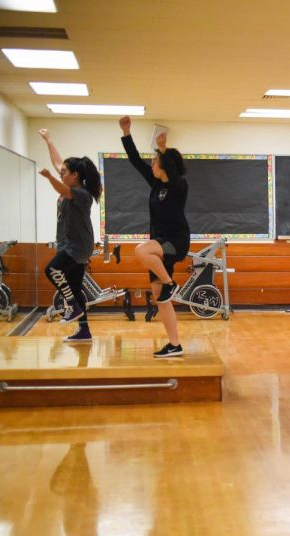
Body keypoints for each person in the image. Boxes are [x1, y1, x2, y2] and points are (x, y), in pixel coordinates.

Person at [119, 116, 190, 358]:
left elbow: (171, 169)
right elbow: (135, 161)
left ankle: (171, 284)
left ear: (165, 166)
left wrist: (163, 148)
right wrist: (126, 133)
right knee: (160, 298)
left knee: (141, 250)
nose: (152, 164)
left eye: (155, 161)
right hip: (159, 245)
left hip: (175, 241)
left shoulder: (179, 186)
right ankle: (175, 344)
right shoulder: (155, 185)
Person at [38, 129, 100, 343]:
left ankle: (72, 306)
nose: (61, 173)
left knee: (51, 269)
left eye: (65, 172)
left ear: (75, 175)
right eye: (61, 171)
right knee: (74, 288)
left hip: (78, 246)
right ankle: (84, 331)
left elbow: (62, 189)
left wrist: (48, 178)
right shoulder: (71, 183)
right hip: (69, 245)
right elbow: (57, 164)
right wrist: (49, 139)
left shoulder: (82, 194)